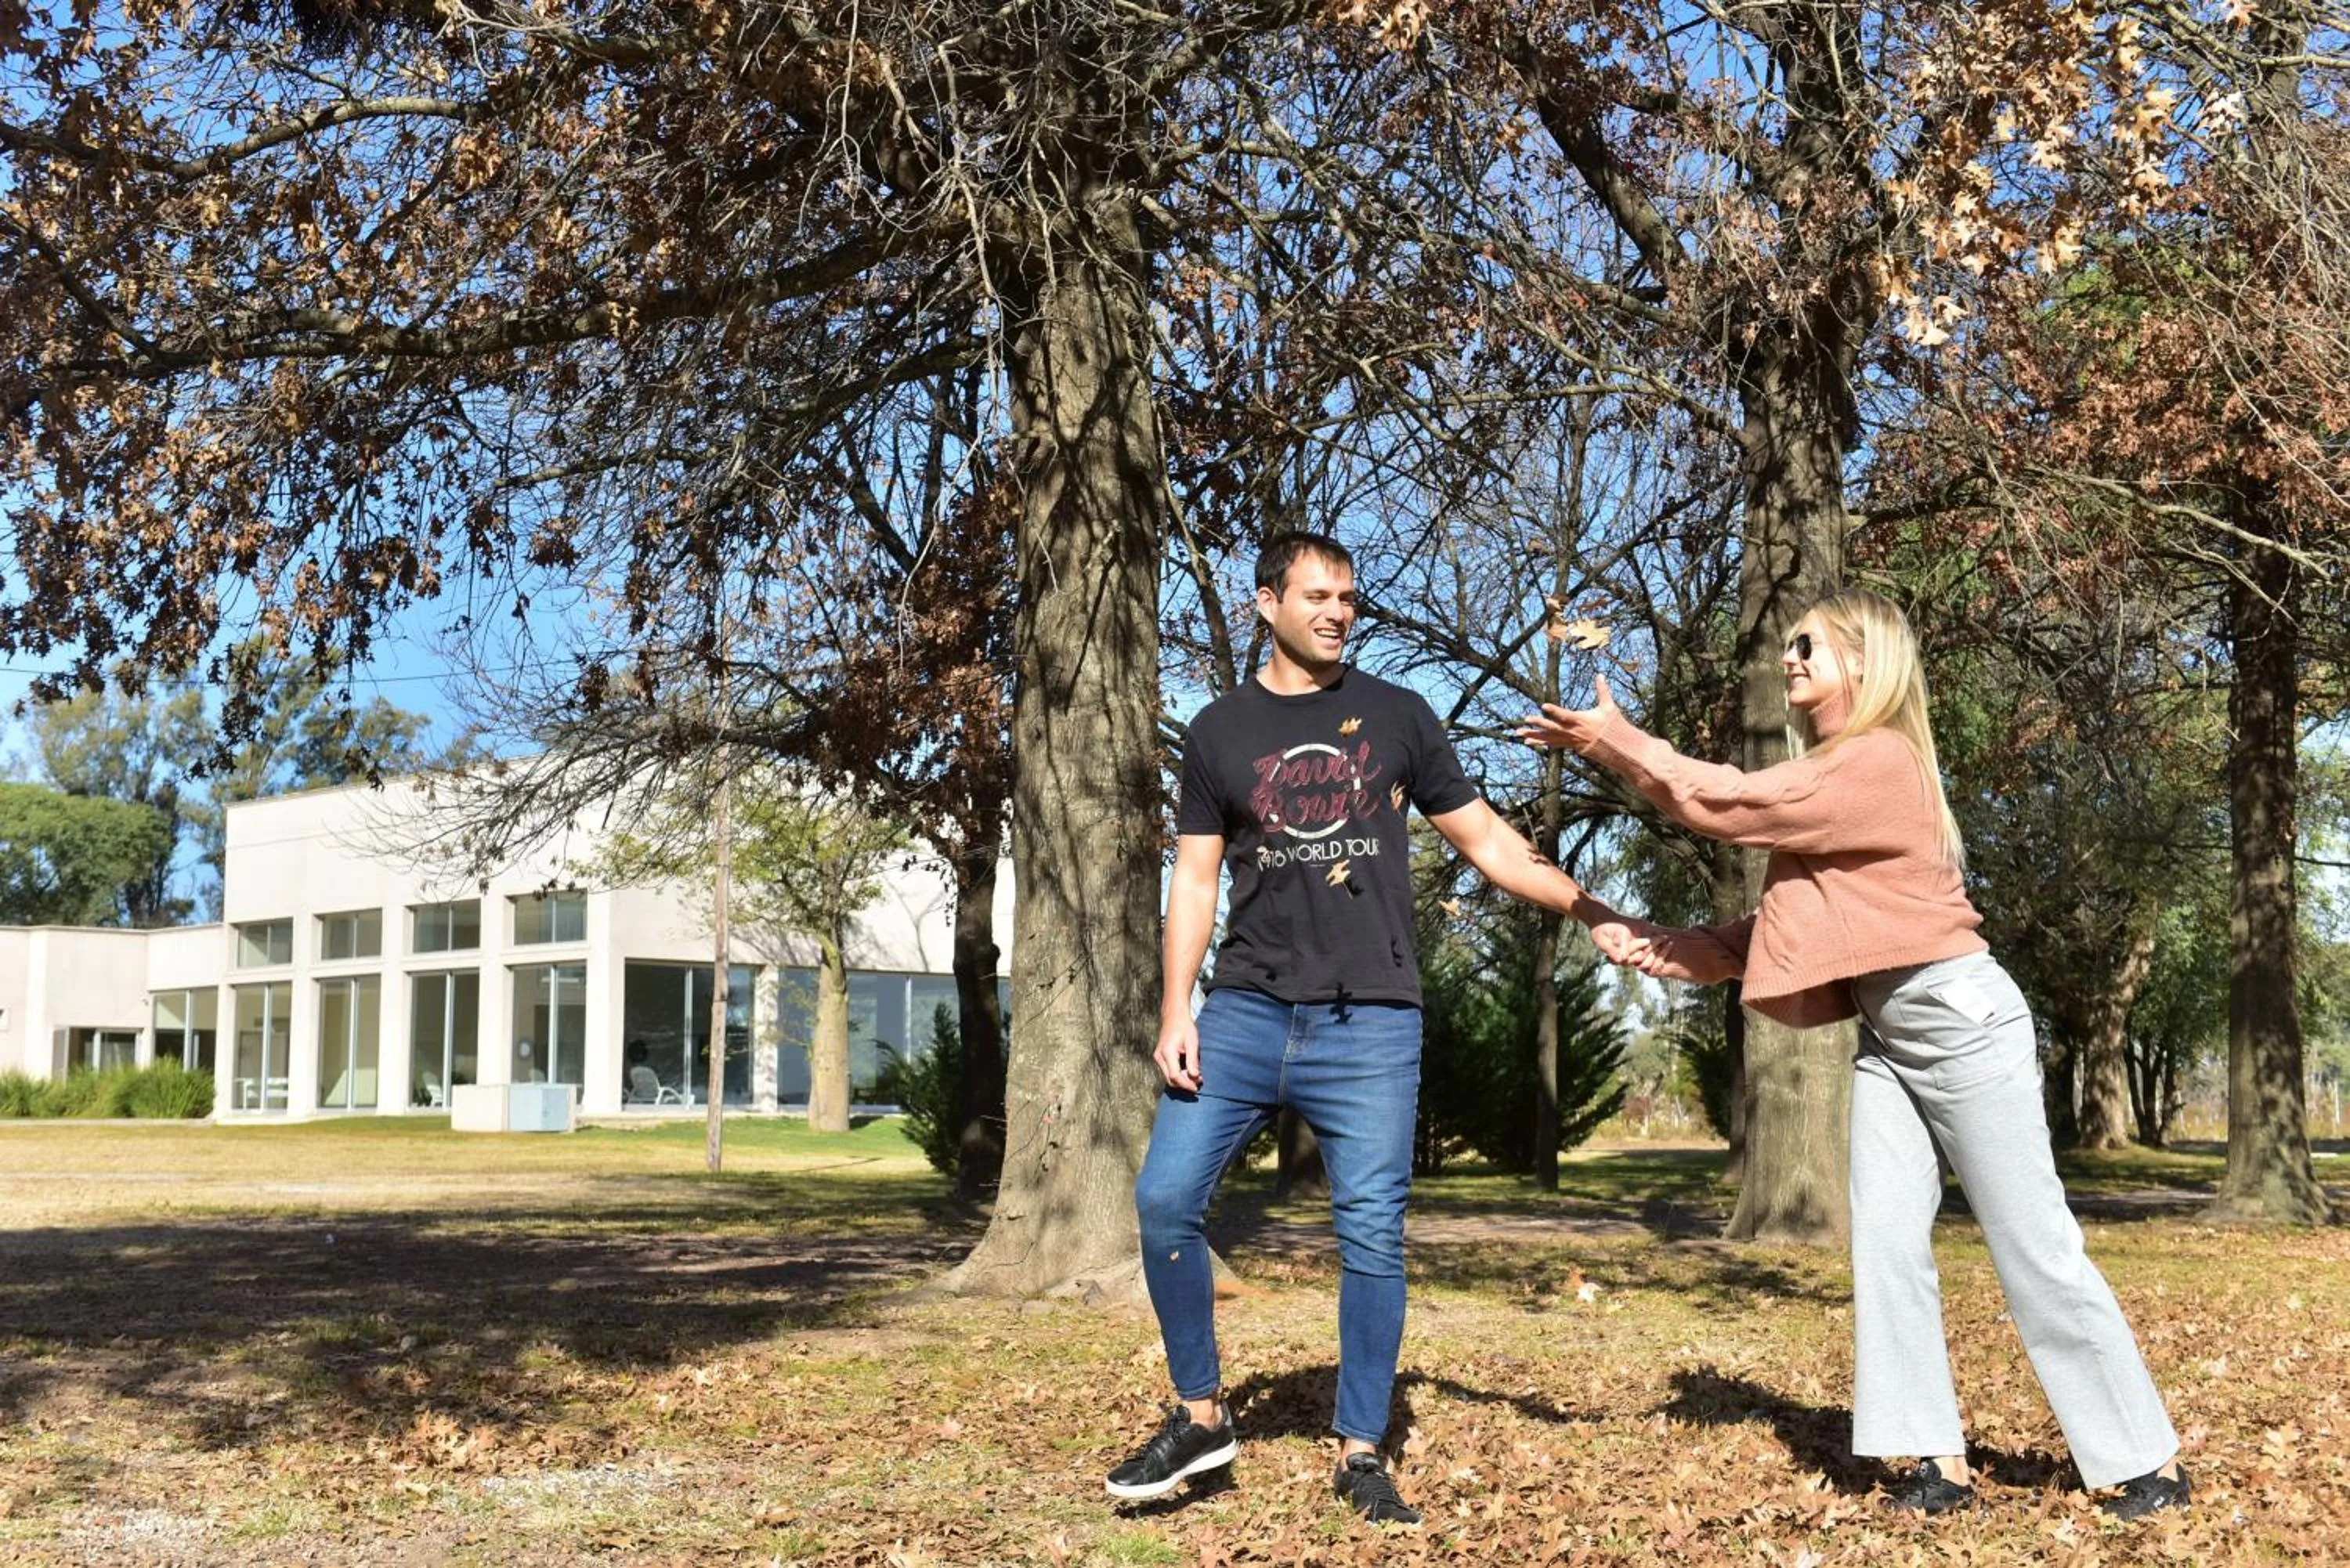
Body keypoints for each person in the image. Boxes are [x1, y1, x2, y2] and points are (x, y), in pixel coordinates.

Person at [1518, 587, 2189, 1521]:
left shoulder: (1878, 761)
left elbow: (1729, 801)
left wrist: (1620, 742)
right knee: (1886, 1245)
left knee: (2033, 1244)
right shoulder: (1829, 781)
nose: (1790, 657)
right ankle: (1938, 1463)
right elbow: (1772, 931)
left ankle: (2146, 1459)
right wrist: (1659, 942)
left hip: (1958, 1019)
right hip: (1890, 1034)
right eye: (1789, 644)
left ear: (1865, 663)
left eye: (1811, 645)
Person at [1106, 530, 1623, 1525]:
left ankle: (1360, 1450)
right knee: (1165, 1198)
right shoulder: (1217, 731)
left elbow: (1487, 841)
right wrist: (1177, 1008)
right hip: (1245, 1010)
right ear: (1267, 603)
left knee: (1373, 1235)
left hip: (1371, 1021)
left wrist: (1588, 907)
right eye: (1316, 595)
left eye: (1347, 597)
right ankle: (1202, 1417)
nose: (1338, 612)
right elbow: (1196, 879)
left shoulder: (1399, 715)